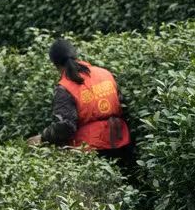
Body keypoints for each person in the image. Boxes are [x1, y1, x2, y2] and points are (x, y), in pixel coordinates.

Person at [34, 38, 135, 177]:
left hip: (91, 151)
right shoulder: (105, 73)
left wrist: (43, 137)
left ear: (55, 64)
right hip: (122, 141)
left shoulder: (65, 87)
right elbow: (122, 103)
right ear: (75, 55)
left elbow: (66, 126)